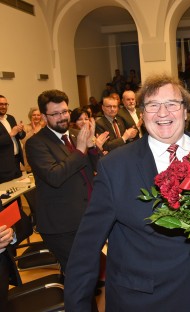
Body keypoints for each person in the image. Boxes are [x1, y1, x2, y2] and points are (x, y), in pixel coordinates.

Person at [64, 73, 190, 311]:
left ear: (186, 110)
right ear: (141, 114)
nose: (162, 113)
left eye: (171, 104)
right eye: (152, 105)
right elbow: (86, 247)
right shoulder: (115, 166)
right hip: (142, 300)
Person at [25, 89, 97, 272]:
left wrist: (92, 148)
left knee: (89, 271)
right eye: (55, 114)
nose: (62, 117)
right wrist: (80, 151)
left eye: (64, 111)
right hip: (62, 225)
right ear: (43, 116)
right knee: (78, 274)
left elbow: (95, 169)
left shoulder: (74, 134)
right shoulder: (36, 143)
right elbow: (54, 176)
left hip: (86, 215)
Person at [0, 95, 26, 183]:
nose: (3, 106)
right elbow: (11, 135)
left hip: (16, 161)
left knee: (18, 190)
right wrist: (11, 134)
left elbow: (20, 136)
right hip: (3, 165)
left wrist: (20, 130)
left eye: (5, 104)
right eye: (1, 104)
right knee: (8, 193)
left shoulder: (10, 118)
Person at [20, 107, 45, 173]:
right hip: (30, 161)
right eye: (34, 115)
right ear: (30, 116)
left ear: (41, 116)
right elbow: (24, 141)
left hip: (43, 159)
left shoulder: (44, 127)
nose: (36, 117)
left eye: (38, 115)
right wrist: (33, 131)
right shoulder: (25, 127)